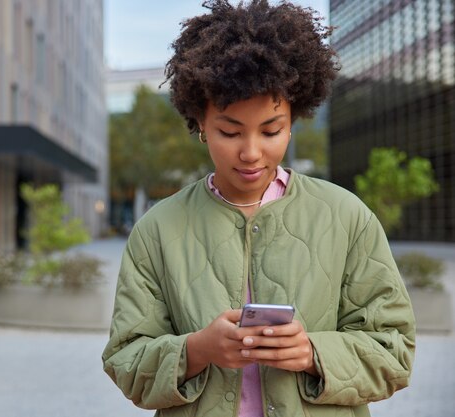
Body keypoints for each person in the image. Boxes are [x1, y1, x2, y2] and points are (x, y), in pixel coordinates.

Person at [102, 1, 415, 416]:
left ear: (294, 119)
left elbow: (394, 351)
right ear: (199, 123)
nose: (251, 152)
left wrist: (312, 353)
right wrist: (196, 350)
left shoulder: (347, 217)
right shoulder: (158, 229)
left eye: (272, 130)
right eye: (229, 131)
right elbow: (125, 360)